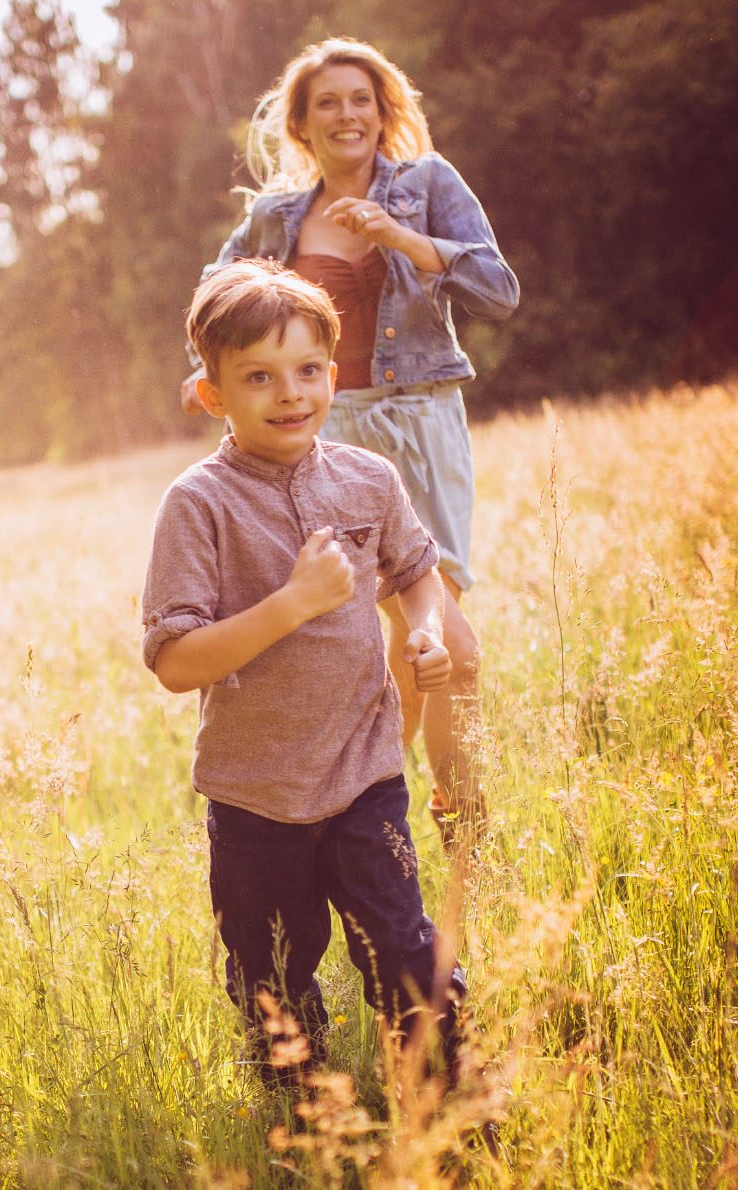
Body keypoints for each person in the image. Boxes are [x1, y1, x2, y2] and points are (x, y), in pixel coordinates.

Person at [183, 37, 519, 846]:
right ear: (299, 123)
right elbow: (211, 302)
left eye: (360, 99)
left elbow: (498, 290)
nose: (347, 115)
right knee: (392, 640)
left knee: (424, 639)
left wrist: (401, 239)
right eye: (327, 102)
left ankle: (388, 820)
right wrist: (213, 377)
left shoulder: (428, 184)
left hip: (421, 421)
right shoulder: (275, 216)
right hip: (322, 432)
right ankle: (402, 821)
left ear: (383, 112)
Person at [145, 260, 466, 1092]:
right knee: (272, 986)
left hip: (366, 775)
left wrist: (424, 631)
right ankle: (304, 1128)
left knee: (407, 956)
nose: (289, 394)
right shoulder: (197, 504)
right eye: (257, 377)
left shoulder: (367, 477)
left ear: (333, 370)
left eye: (308, 371)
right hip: (255, 797)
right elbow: (175, 663)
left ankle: (451, 1122)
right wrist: (290, 604)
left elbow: (417, 575)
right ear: (211, 393)